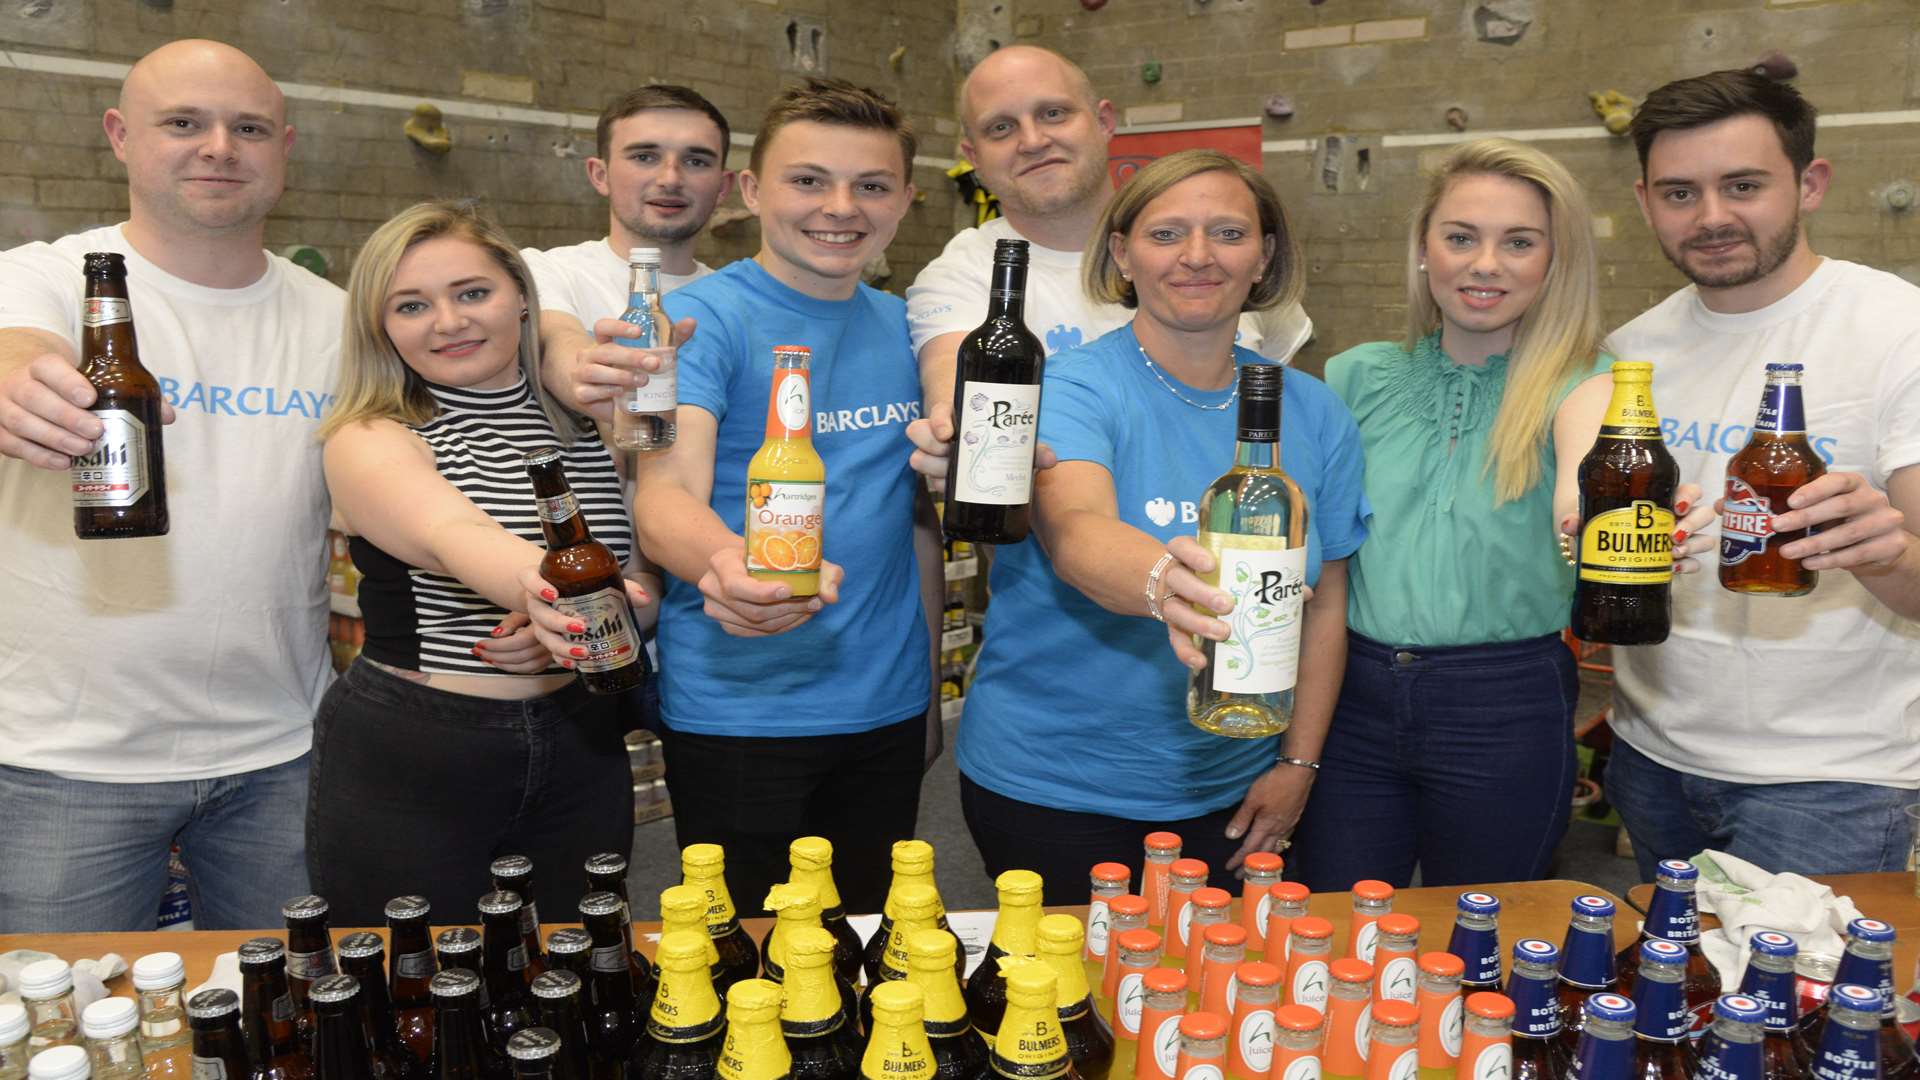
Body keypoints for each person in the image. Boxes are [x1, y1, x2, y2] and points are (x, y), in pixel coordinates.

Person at [532, 78, 937, 916]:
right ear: (751, 193)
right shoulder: (702, 320)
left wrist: (926, 687)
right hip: (742, 713)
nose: (840, 207)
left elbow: (915, 523)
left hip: (886, 707)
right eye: (808, 180)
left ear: (905, 199)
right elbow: (667, 492)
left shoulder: (906, 327)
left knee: (870, 946)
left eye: (871, 185)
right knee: (748, 959)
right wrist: (727, 566)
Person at [1285, 139, 1715, 893]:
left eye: (1519, 242)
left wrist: (1593, 512)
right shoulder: (1354, 375)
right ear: (1425, 249)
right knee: (1339, 927)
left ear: (1555, 260)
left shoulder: (1593, 382)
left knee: (1489, 935)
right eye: (1461, 238)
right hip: (1348, 691)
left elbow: (1591, 462)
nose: (1486, 264)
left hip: (1503, 702)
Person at [954, 149, 1371, 904]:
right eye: (1168, 233)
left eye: (1228, 233)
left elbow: (1329, 603)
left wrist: (1297, 766)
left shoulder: (1312, 413)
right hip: (1055, 787)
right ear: (1121, 253)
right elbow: (1075, 527)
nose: (1199, 257)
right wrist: (1165, 583)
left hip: (1235, 786)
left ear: (1265, 255)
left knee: (1221, 1005)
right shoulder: (1075, 385)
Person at [0, 40, 350, 932]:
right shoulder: (44, 277)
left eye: (250, 128)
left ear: (286, 147)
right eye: (184, 123)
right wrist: (26, 380)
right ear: (120, 136)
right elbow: (17, 345)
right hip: (66, 762)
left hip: (284, 751)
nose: (220, 147)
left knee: (297, 1022)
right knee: (68, 1030)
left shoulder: (339, 318)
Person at [1603, 69, 1920, 878]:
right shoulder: (1631, 350)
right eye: (1680, 193)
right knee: (1676, 998)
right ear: (1645, 201)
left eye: (1743, 185)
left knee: (1797, 1006)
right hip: (1650, 755)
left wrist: (1881, 552)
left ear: (1810, 184)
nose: (1711, 217)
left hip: (1832, 782)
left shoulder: (1895, 331)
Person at [309, 200, 655, 925]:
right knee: (420, 987)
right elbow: (451, 532)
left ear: (523, 301)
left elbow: (642, 569)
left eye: (473, 292)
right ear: (380, 326)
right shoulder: (370, 434)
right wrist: (556, 597)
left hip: (582, 737)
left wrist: (628, 601)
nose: (449, 321)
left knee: (582, 963)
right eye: (411, 305)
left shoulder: (592, 420)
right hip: (421, 750)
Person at [903, 45, 1313, 479]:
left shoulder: (1218, 257)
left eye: (1054, 113)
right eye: (1001, 127)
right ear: (973, 156)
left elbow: (1291, 422)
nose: (1034, 141)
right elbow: (954, 376)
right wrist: (953, 428)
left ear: (1103, 121)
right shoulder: (962, 273)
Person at [525, 85, 734, 423]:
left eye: (695, 161)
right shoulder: (547, 270)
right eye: (644, 157)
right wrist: (589, 372)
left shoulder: (735, 301)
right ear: (600, 174)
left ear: (723, 186)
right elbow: (554, 340)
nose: (670, 178)